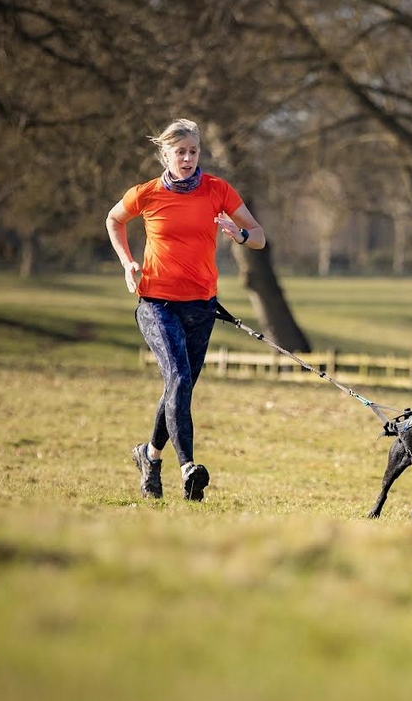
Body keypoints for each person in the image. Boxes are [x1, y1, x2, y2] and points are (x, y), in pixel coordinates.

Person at [105, 118, 266, 501]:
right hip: (156, 301)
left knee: (181, 385)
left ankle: (149, 456)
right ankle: (188, 467)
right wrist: (127, 261)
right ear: (165, 154)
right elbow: (114, 219)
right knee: (178, 375)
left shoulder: (217, 190)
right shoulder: (146, 194)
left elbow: (259, 236)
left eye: (194, 151)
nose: (188, 158)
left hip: (201, 304)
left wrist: (239, 234)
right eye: (181, 152)